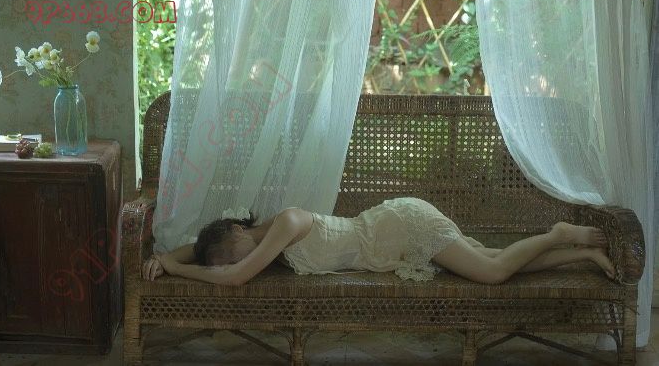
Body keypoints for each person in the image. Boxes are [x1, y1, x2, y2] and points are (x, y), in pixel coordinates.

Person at [142, 197, 615, 286]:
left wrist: (179, 268)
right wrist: (166, 257)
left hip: (399, 227)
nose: (227, 262)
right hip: (391, 234)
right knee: (492, 258)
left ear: (239, 230)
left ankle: (557, 233)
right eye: (221, 260)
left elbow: (235, 276)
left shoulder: (285, 224)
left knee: (491, 272)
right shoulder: (262, 237)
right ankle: (583, 253)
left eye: (228, 253)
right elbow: (211, 252)